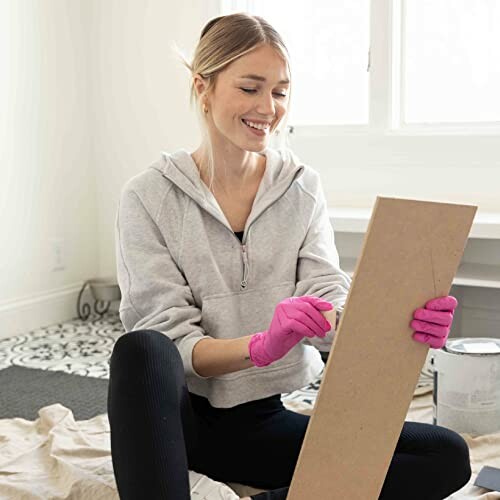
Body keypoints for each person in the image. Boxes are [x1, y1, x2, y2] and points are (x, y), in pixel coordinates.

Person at [107, 12, 472, 500]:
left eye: (280, 91)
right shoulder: (148, 197)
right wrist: (260, 346)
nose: (269, 107)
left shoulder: (301, 187)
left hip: (260, 421)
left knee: (444, 454)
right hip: (174, 420)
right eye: (251, 88)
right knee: (142, 349)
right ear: (204, 87)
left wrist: (396, 319)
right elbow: (172, 340)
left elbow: (325, 290)